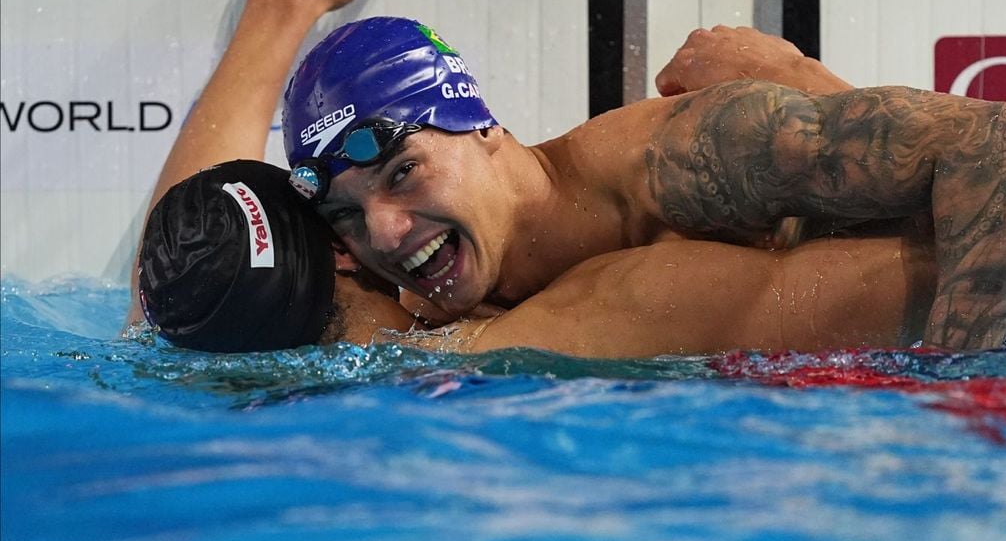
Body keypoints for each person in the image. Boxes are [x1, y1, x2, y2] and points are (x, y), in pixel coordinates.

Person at [276, 0, 1006, 352]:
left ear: (482, 126)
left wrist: (958, 398)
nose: (382, 231)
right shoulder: (419, 295)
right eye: (347, 215)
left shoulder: (684, 157)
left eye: (405, 171)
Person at [138, 159, 936, 357]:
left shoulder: (210, 345)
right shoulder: (593, 315)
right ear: (345, 254)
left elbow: (192, 266)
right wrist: (800, 79)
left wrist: (283, 6)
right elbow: (941, 274)